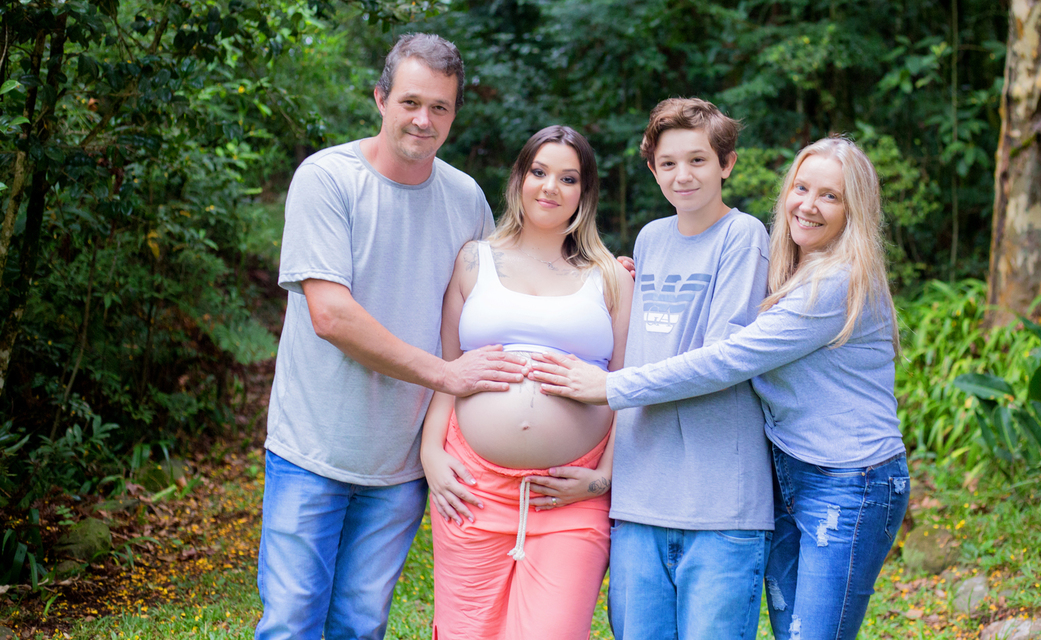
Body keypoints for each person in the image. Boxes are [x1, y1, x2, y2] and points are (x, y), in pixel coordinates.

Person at [530, 135, 909, 640]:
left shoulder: (835, 282)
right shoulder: (792, 268)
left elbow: (727, 359)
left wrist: (610, 386)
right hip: (792, 474)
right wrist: (641, 280)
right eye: (802, 188)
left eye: (830, 196)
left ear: (854, 209)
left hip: (851, 481)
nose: (809, 206)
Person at [257, 33, 526, 640]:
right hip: (312, 451)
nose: (423, 119)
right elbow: (332, 315)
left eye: (440, 107)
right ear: (381, 98)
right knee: (292, 623)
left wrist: (601, 270)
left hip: (402, 463)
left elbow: (513, 282)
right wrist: (446, 374)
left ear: (455, 114)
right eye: (410, 102)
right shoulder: (327, 180)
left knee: (360, 624)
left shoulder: (464, 198)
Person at [421, 125, 634, 640]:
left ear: (584, 194)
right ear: (519, 177)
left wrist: (600, 480)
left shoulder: (612, 276)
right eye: (539, 172)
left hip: (572, 494)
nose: (549, 188)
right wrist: (431, 453)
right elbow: (447, 369)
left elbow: (629, 392)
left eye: (568, 178)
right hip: (473, 486)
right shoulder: (474, 260)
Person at [605, 98, 773, 640]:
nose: (684, 175)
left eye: (698, 160)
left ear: (726, 164)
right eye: (669, 163)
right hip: (640, 495)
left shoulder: (743, 236)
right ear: (652, 170)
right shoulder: (650, 240)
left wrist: (610, 389)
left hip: (721, 503)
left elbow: (722, 359)